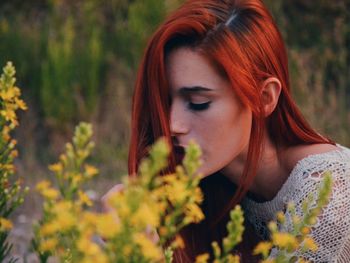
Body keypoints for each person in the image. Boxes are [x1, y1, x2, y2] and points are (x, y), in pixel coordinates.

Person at [106, 0, 350, 262]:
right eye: (164, 102)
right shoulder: (215, 189)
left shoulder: (331, 191)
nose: (172, 124)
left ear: (264, 98)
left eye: (199, 103)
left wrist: (148, 255)